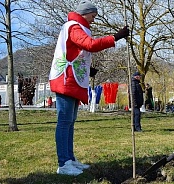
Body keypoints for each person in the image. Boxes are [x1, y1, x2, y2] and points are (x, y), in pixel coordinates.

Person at [49, 0, 129, 176]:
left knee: (69, 122)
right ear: (85, 13)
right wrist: (116, 37)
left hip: (71, 78)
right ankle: (63, 164)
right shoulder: (74, 26)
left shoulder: (77, 27)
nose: (93, 20)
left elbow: (74, 52)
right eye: (92, 17)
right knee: (64, 122)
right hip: (65, 79)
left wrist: (86, 69)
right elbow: (90, 45)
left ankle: (70, 159)